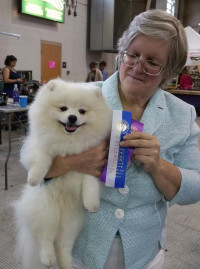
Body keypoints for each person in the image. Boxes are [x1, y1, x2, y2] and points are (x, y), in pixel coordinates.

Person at [42, 9, 200, 269]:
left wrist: (158, 166)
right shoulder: (78, 97)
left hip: (143, 252)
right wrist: (72, 162)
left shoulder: (182, 115)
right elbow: (32, 161)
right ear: (121, 53)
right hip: (77, 245)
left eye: (152, 61)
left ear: (168, 69)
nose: (138, 66)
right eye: (133, 54)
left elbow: (193, 189)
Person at [2, 55, 23, 130]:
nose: (15, 64)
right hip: (9, 91)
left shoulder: (13, 69)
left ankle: (11, 123)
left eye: (15, 62)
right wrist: (17, 80)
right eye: (14, 62)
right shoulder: (6, 69)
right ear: (9, 62)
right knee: (10, 108)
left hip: (15, 90)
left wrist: (20, 80)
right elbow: (6, 80)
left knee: (15, 107)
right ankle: (7, 125)